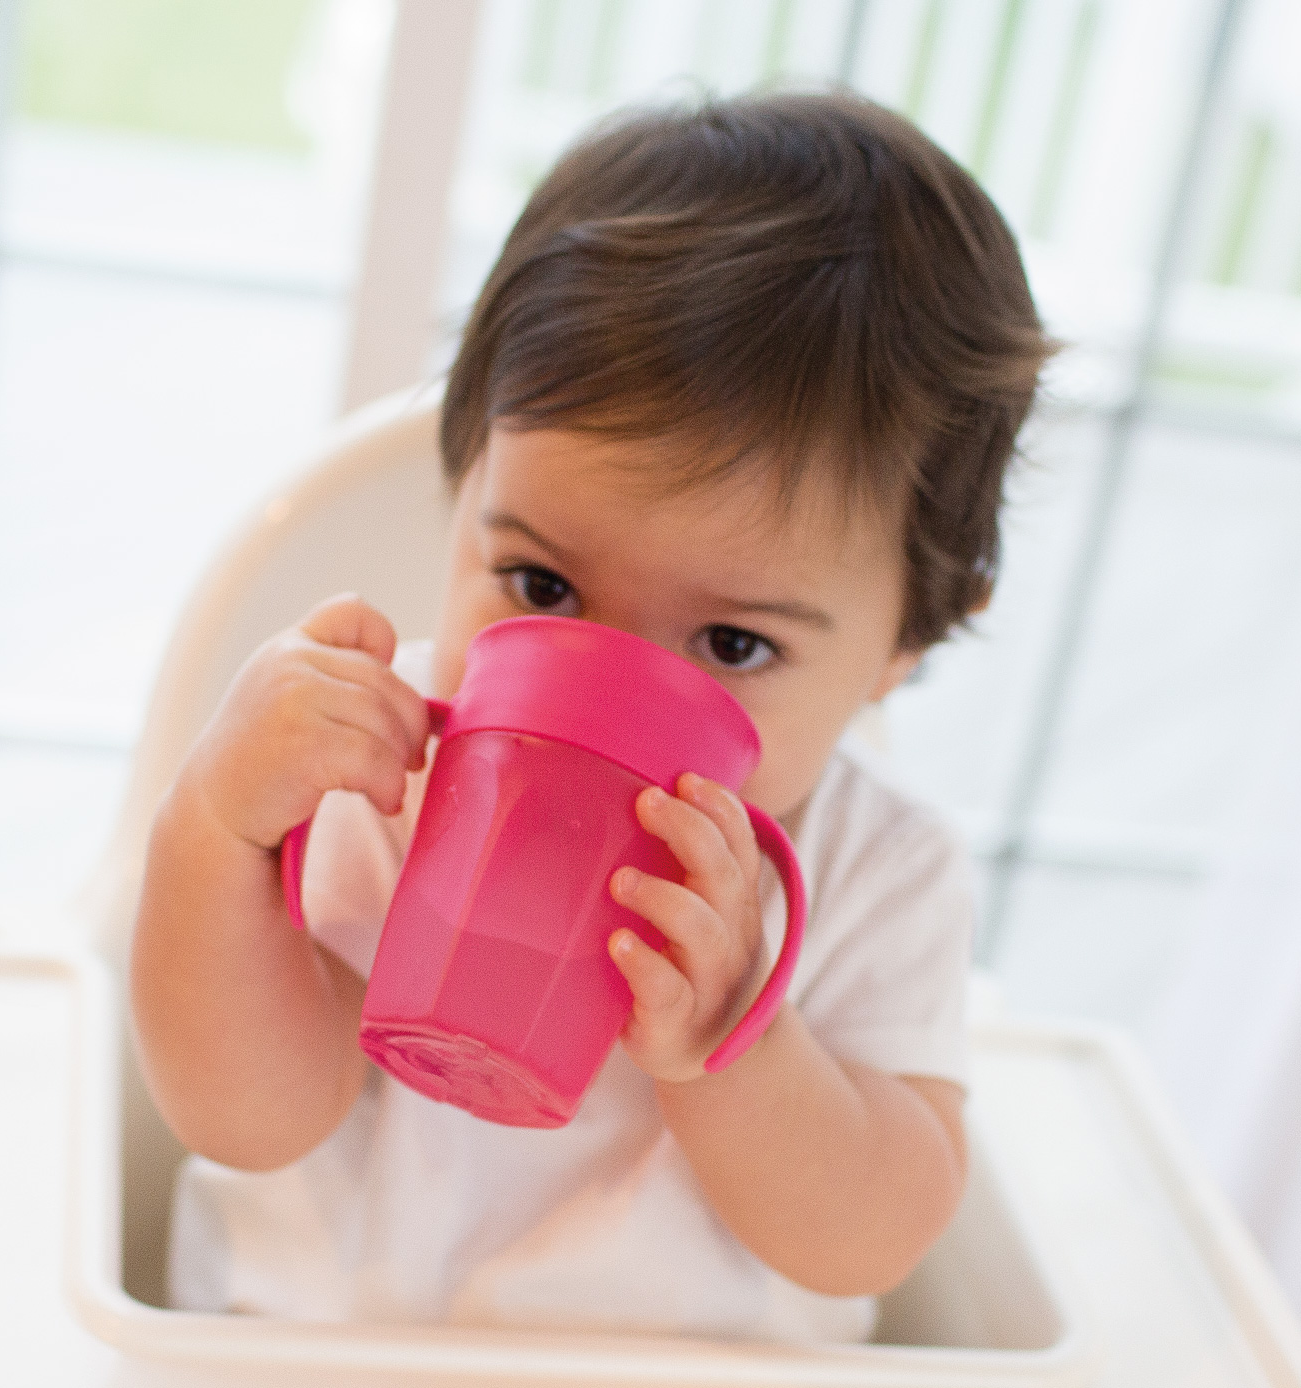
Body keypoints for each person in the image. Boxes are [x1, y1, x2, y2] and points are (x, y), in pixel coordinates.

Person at [130, 88, 1051, 1342]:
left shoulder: (881, 876)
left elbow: (869, 1238)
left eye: (733, 644)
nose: (603, 692)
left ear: (905, 642)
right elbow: (244, 1114)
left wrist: (739, 1045)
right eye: (543, 585)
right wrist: (213, 827)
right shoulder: (383, 762)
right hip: (326, 1352)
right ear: (463, 497)